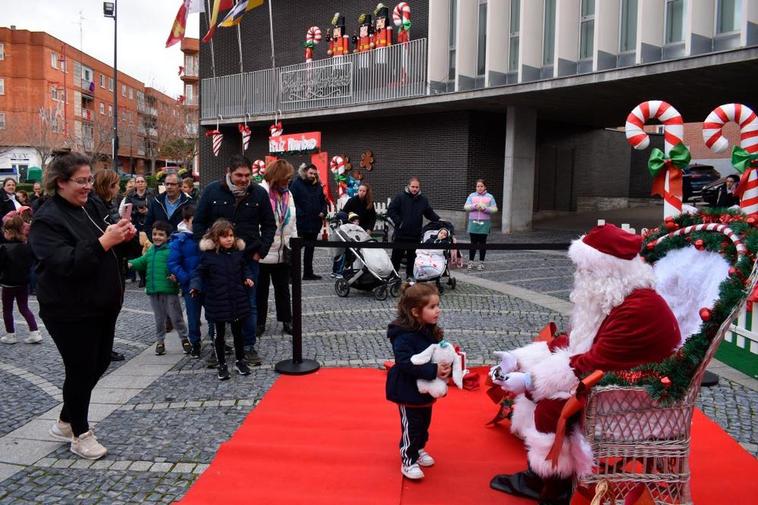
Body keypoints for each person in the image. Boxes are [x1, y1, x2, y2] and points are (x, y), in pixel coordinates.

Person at [489, 224, 680, 504]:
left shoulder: (637, 309)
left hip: (637, 395)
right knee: (543, 392)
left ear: (608, 272)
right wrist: (521, 358)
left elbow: (592, 362)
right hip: (619, 377)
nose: (580, 276)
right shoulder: (620, 297)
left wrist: (531, 381)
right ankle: (539, 476)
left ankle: (552, 490)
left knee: (550, 405)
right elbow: (579, 342)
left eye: (586, 270)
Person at [29, 152, 137, 460]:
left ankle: (66, 419)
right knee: (80, 369)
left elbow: (115, 247)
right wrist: (105, 242)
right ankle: (80, 432)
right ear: (60, 182)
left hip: (102, 304)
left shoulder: (92, 205)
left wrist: (125, 235)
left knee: (99, 363)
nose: (88, 186)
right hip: (68, 309)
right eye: (82, 181)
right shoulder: (46, 219)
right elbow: (65, 264)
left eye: (90, 179)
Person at [194, 155, 276, 366]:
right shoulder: (212, 190)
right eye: (239, 175)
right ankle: (217, 347)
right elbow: (199, 222)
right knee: (215, 302)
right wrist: (207, 248)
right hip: (216, 260)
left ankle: (248, 346)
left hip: (248, 257)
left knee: (249, 303)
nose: (243, 179)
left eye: (247, 175)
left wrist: (262, 251)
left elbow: (269, 225)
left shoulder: (258, 192)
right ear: (229, 172)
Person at [385, 282, 450, 480]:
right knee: (411, 426)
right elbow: (405, 363)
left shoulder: (428, 328)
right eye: (432, 307)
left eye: (438, 305)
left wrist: (445, 365)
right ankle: (408, 458)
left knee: (423, 423)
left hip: (425, 388)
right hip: (407, 389)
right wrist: (433, 370)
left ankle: (419, 448)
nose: (438, 310)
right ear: (415, 311)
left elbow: (434, 354)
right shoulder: (403, 336)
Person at [191, 219, 255, 380]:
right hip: (217, 301)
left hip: (236, 299)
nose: (229, 239)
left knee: (238, 333)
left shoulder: (237, 254)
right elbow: (199, 273)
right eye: (224, 236)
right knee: (219, 335)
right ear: (215, 238)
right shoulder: (208, 257)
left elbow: (245, 268)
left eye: (231, 236)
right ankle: (222, 364)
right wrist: (195, 286)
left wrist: (248, 277)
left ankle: (240, 361)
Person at [128, 220, 190, 356]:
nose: (156, 237)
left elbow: (178, 266)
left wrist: (176, 277)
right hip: (153, 290)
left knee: (176, 317)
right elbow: (141, 261)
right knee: (159, 319)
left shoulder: (171, 251)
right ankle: (160, 341)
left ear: (167, 237)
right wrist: (130, 264)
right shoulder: (150, 251)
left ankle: (184, 338)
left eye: (161, 234)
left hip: (169, 290)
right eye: (154, 234)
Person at [91, 169, 130, 362]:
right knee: (106, 310)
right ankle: (101, 348)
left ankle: (106, 347)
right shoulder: (95, 206)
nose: (118, 189)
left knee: (113, 308)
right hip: (106, 262)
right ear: (107, 186)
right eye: (115, 185)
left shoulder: (109, 204)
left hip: (117, 260)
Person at [168, 205, 215, 359]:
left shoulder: (207, 237)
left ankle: (216, 339)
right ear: (186, 221)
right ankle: (195, 343)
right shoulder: (179, 240)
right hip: (190, 285)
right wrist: (186, 279)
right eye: (194, 222)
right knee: (193, 316)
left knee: (213, 313)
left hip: (208, 282)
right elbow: (173, 263)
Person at [258, 160, 297, 336]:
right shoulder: (261, 192)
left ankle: (286, 320)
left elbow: (292, 222)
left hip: (283, 250)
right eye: (285, 178)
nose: (288, 181)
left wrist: (293, 243)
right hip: (264, 251)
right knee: (261, 290)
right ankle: (259, 323)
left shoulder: (288, 194)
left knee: (283, 289)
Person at [0, 212, 41, 344]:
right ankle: (34, 332)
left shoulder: (4, 248)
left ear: (8, 231)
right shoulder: (27, 246)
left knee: (7, 309)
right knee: (24, 307)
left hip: (8, 283)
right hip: (24, 281)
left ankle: (10, 335)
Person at [388, 177, 440, 279]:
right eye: (413, 187)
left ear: (419, 188)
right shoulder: (400, 197)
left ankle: (410, 275)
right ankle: (393, 275)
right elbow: (391, 210)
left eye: (416, 187)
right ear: (408, 186)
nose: (414, 189)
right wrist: (399, 222)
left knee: (412, 257)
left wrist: (439, 220)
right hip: (401, 234)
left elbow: (429, 213)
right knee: (396, 256)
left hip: (415, 234)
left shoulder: (423, 200)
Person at [289, 163, 327, 280]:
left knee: (310, 249)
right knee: (296, 250)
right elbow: (292, 201)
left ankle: (308, 273)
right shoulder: (296, 184)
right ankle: (291, 275)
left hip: (315, 222)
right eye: (311, 173)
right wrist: (301, 214)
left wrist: (323, 211)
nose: (313, 175)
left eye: (315, 174)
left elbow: (323, 201)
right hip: (301, 223)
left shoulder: (318, 185)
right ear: (305, 172)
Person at [463, 179, 498, 271]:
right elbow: (466, 207)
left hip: (484, 223)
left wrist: (485, 209)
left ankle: (481, 262)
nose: (479, 188)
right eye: (478, 186)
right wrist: (474, 206)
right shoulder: (471, 196)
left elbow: (494, 209)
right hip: (473, 223)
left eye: (481, 186)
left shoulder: (490, 197)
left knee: (482, 243)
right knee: (473, 243)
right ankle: (470, 262)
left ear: (485, 187)